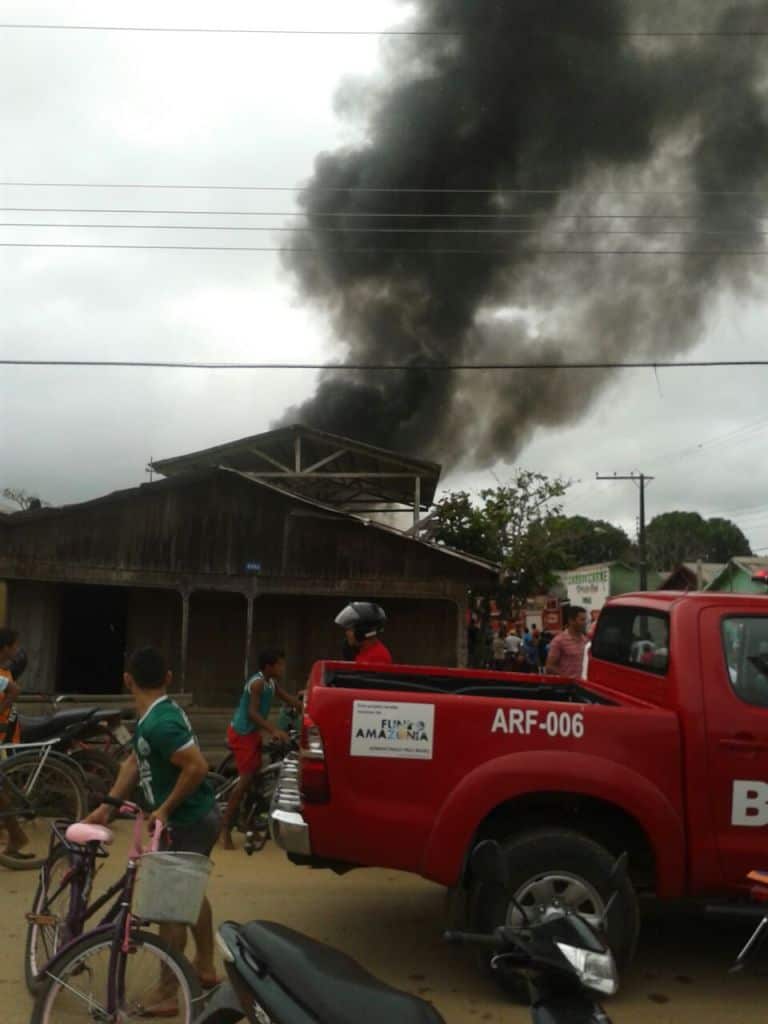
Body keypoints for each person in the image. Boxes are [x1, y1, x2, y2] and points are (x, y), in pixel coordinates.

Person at [87, 647, 219, 1010]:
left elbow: (197, 767)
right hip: (195, 817)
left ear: (127, 680)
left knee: (168, 904)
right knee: (189, 891)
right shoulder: (155, 716)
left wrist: (164, 808)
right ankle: (205, 967)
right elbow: (134, 760)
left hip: (188, 819)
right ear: (168, 678)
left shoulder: (161, 723)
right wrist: (107, 807)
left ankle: (167, 991)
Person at [220, 649, 301, 850]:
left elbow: (289, 699)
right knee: (246, 779)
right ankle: (225, 827)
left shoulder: (271, 683)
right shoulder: (257, 683)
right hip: (242, 733)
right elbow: (252, 713)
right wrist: (274, 730)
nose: (283, 668)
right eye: (279, 664)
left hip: (252, 733)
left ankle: (247, 819)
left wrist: (307, 707)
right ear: (268, 667)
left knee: (257, 776)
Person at [0, 627, 31, 861]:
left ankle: (16, 834)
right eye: (15, 645)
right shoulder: (4, 670)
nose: (17, 649)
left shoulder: (4, 673)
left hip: (4, 732)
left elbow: (14, 690)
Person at [545, 606, 589, 678]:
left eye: (585, 620)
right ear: (571, 621)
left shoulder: (585, 640)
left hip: (583, 683)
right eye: (582, 620)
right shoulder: (559, 640)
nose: (585, 623)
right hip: (567, 684)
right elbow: (549, 667)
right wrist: (567, 678)